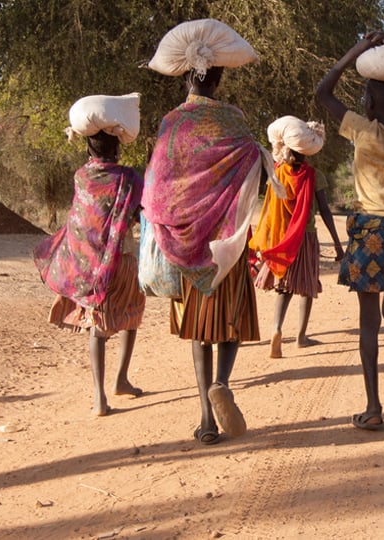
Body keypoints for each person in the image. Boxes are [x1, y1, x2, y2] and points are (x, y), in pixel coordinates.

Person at [142, 19, 274, 444]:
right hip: (227, 245)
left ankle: (205, 416)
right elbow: (250, 162)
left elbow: (158, 185)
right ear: (218, 76)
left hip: (187, 247)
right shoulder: (233, 120)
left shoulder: (172, 124)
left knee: (198, 331)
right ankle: (223, 382)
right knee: (229, 325)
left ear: (186, 75)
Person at [315, 32, 384, 430]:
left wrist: (358, 49)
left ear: (367, 102)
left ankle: (373, 406)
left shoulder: (360, 130)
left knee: (368, 322)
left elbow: (322, 92)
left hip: (368, 232)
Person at [33, 94, 145, 417]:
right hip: (122, 261)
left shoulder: (81, 177)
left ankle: (99, 397)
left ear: (87, 149)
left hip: (91, 266)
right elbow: (138, 212)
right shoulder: (128, 179)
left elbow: (81, 221)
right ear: (118, 148)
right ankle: (121, 378)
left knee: (97, 322)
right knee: (131, 313)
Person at [250, 116, 344, 359]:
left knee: (284, 287)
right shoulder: (315, 176)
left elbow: (269, 211)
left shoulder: (277, 174)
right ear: (307, 151)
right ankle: (301, 336)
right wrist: (336, 242)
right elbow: (324, 211)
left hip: (283, 238)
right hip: (306, 237)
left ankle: (276, 330)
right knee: (307, 286)